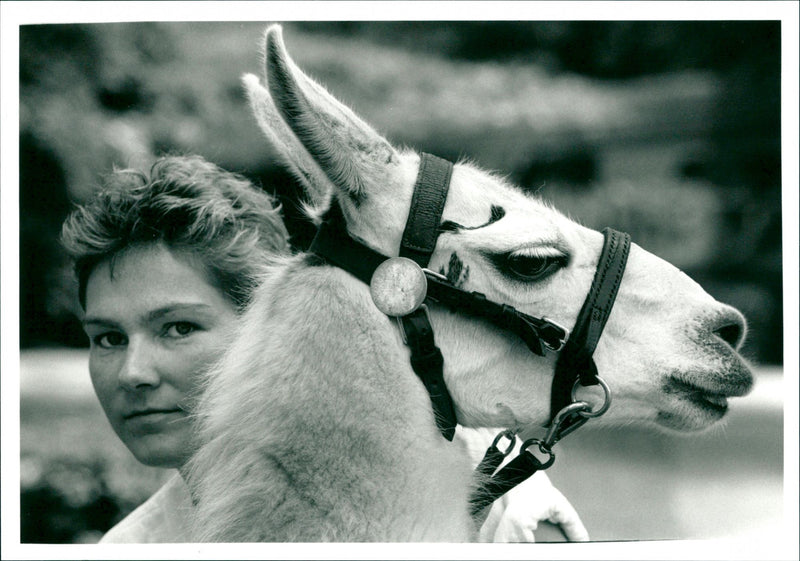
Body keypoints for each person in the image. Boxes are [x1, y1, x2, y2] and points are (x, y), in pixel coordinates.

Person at [61, 154, 587, 543]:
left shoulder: (501, 513)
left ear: (266, 326)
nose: (133, 373)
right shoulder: (130, 547)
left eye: (177, 328)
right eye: (108, 338)